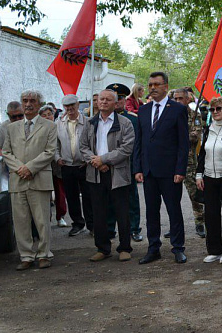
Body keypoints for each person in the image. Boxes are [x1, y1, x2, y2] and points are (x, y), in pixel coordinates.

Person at [134, 71, 189, 265]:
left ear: (166, 86)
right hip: (149, 171)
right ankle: (153, 248)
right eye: (150, 85)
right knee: (151, 212)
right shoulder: (143, 110)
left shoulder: (178, 110)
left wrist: (180, 170)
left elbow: (183, 144)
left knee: (174, 210)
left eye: (156, 84)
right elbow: (139, 142)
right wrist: (138, 168)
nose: (152, 88)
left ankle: (178, 248)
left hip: (170, 172)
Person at [2, 90, 58, 270]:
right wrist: (20, 168)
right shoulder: (11, 128)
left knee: (42, 221)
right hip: (18, 180)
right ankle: (26, 256)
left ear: (39, 104)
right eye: (25, 101)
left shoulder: (49, 126)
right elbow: (6, 152)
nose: (28, 104)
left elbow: (50, 152)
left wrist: (30, 168)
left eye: (32, 101)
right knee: (21, 221)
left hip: (39, 178)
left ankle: (43, 255)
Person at [79, 89, 135, 262]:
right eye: (101, 99)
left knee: (122, 212)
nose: (103, 102)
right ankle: (102, 248)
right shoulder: (90, 123)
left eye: (108, 99)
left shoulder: (125, 123)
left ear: (116, 103)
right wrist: (95, 162)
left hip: (117, 173)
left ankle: (125, 248)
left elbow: (126, 148)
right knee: (99, 213)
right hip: (95, 174)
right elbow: (82, 147)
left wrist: (104, 160)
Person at [196, 96, 222, 264]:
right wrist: (199, 174)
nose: (214, 112)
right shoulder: (208, 128)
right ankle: (214, 250)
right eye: (212, 109)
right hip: (209, 176)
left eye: (218, 109)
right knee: (211, 214)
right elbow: (202, 153)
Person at [104, 84, 142, 242]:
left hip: (128, 165)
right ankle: (110, 228)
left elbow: (138, 145)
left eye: (120, 98)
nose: (118, 102)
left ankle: (134, 228)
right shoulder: (103, 120)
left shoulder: (133, 119)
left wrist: (137, 167)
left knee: (131, 198)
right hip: (108, 165)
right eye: (115, 98)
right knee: (109, 199)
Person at [56, 94, 93, 237]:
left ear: (78, 105)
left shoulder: (88, 122)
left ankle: (92, 224)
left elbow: (92, 143)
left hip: (84, 165)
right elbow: (55, 144)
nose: (70, 108)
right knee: (71, 197)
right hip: (67, 166)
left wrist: (88, 159)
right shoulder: (58, 123)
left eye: (72, 105)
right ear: (63, 107)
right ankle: (77, 224)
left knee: (89, 196)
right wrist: (57, 158)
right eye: (67, 106)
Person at [173, 88, 206, 239]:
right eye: (176, 99)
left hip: (189, 161)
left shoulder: (194, 115)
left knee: (194, 194)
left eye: (181, 98)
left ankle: (200, 222)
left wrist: (176, 137)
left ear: (187, 100)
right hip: (171, 161)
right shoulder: (169, 115)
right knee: (172, 196)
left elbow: (195, 136)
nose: (178, 101)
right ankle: (175, 226)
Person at [39, 105, 68, 228]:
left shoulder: (59, 126)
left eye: (49, 114)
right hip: (43, 165)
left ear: (53, 114)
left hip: (57, 164)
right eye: (44, 115)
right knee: (44, 194)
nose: (47, 117)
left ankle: (60, 216)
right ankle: (46, 218)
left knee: (60, 192)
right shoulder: (38, 129)